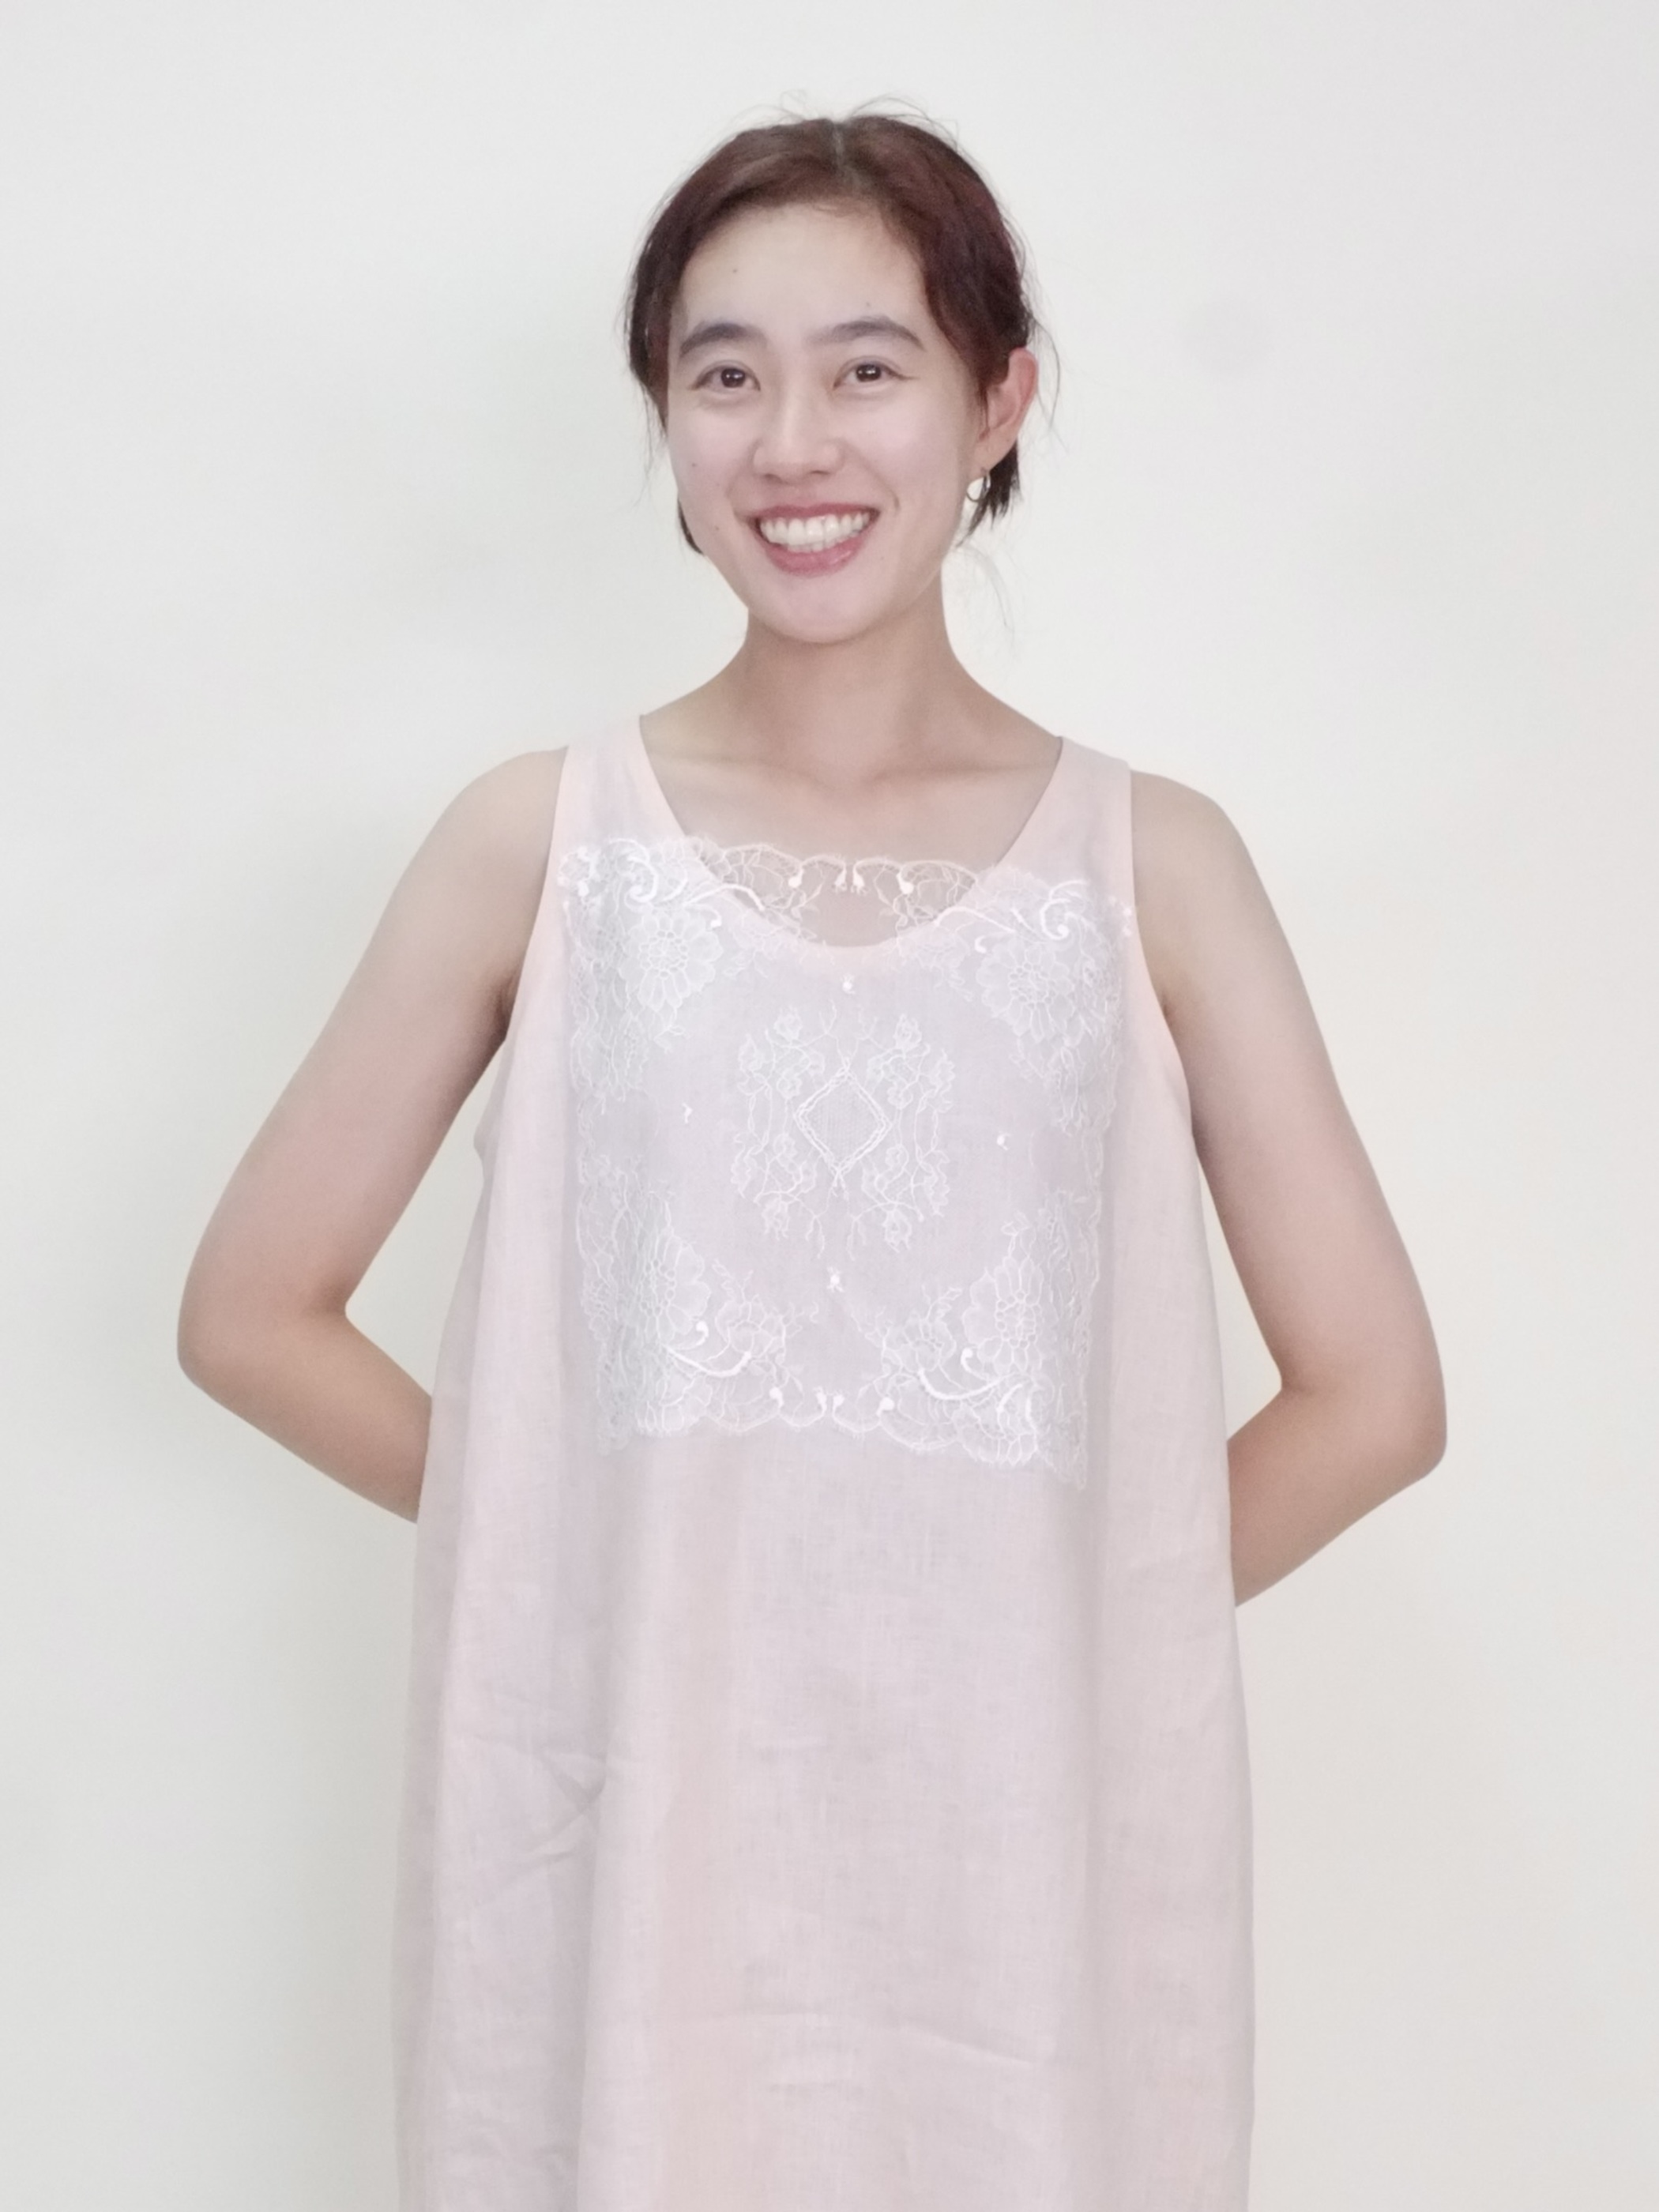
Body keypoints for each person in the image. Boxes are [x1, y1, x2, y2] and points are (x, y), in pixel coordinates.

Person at [179, 105, 1444, 2212]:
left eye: (867, 366)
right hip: (625, 1841)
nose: (792, 444)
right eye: (723, 373)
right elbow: (250, 1312)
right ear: (663, 419)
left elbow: (1375, 1397)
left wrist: (1057, 1603)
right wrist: (583, 1543)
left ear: (996, 400)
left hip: (1020, 1872)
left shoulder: (1155, 867)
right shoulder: (539, 843)